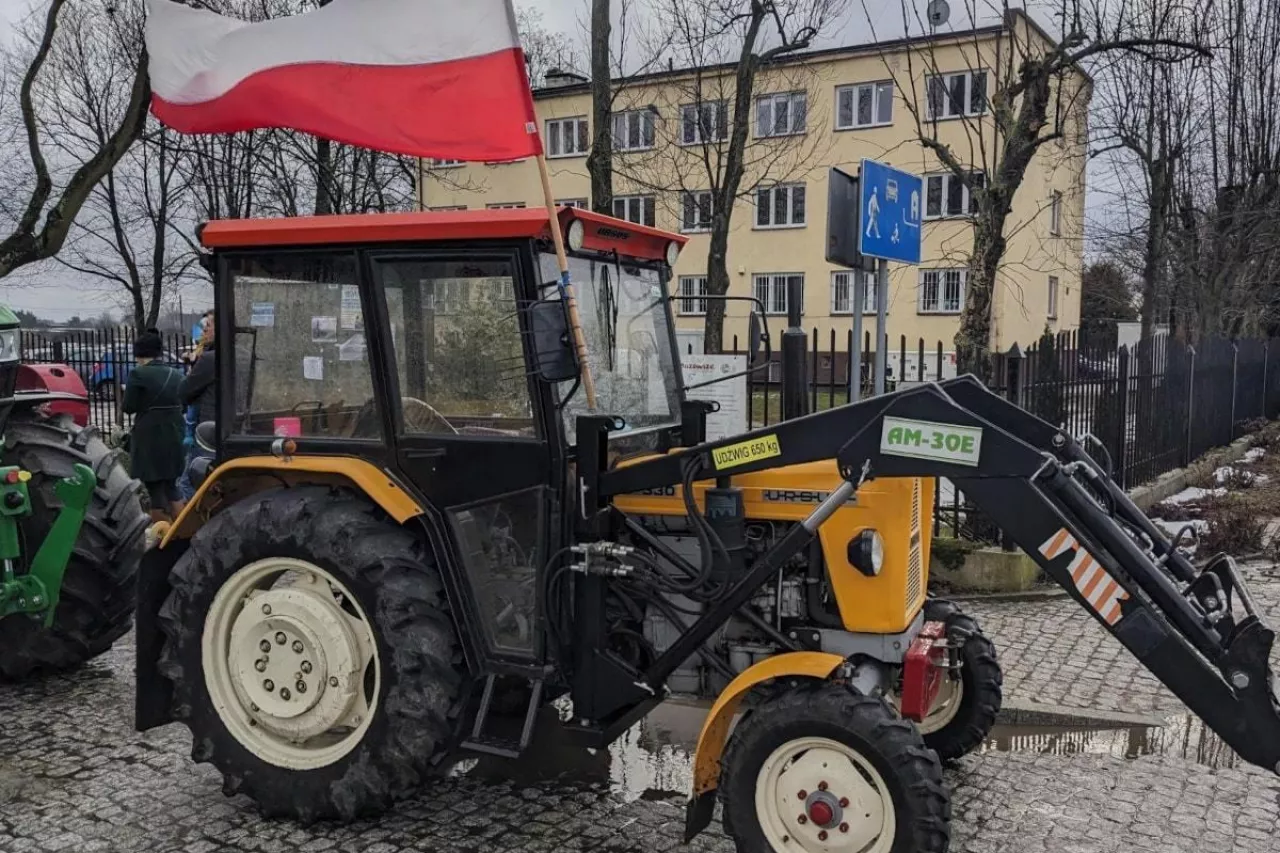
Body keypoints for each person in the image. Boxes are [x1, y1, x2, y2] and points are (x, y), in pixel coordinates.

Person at [123, 330, 186, 522]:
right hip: (175, 432)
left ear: (139, 353)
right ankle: (184, 529)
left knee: (154, 488)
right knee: (171, 485)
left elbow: (128, 407)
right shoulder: (176, 373)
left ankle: (161, 538)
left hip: (150, 436)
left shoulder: (138, 374)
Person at [179, 315, 216, 500]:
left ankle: (194, 527)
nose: (204, 331)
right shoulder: (242, 354)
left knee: (188, 482)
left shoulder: (210, 359)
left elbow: (185, 391)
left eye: (208, 326)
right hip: (233, 429)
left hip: (207, 432)